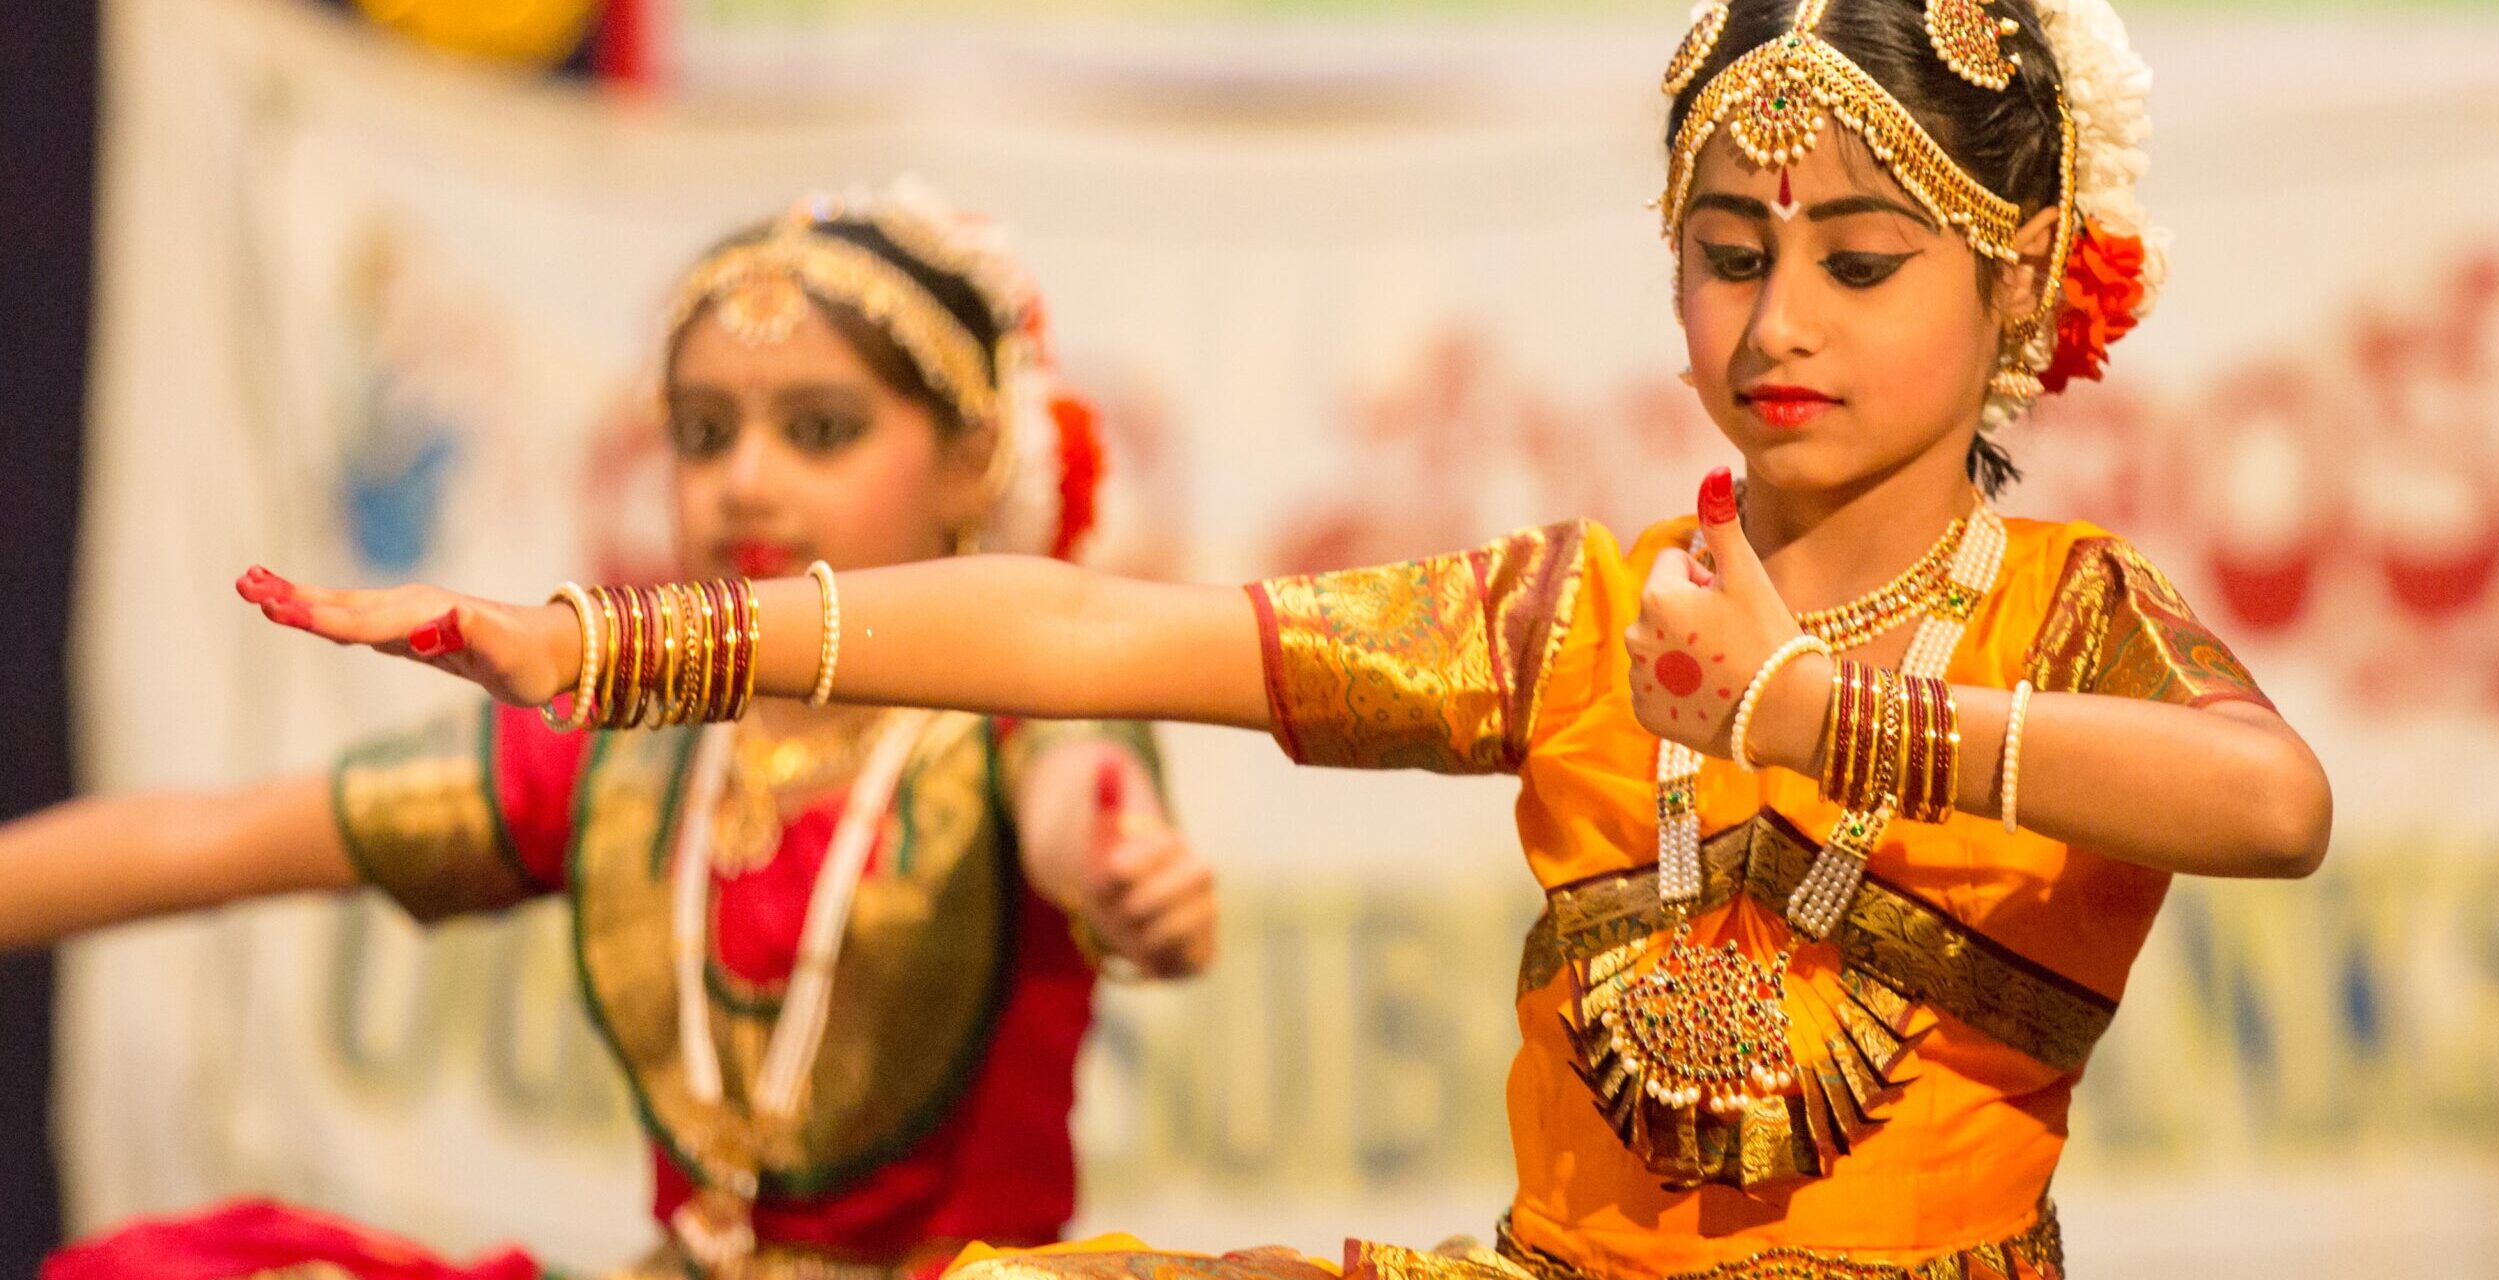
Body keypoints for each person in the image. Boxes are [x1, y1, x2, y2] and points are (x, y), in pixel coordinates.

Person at [243, 0, 2334, 1274]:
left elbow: (2268, 799)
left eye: (1859, 260)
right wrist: (617, 644)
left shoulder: (2071, 623)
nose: (1774, 324)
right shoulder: (1574, 617)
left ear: (2025, 274)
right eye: (1720, 255)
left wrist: (1820, 712)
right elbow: (1087, 629)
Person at [20, 180, 1220, 1280]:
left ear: (973, 459)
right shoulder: (631, 752)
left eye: (817, 430)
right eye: (704, 434)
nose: (745, 480)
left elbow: (1087, 797)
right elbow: (217, 838)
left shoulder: (1015, 716)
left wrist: (1122, 874)